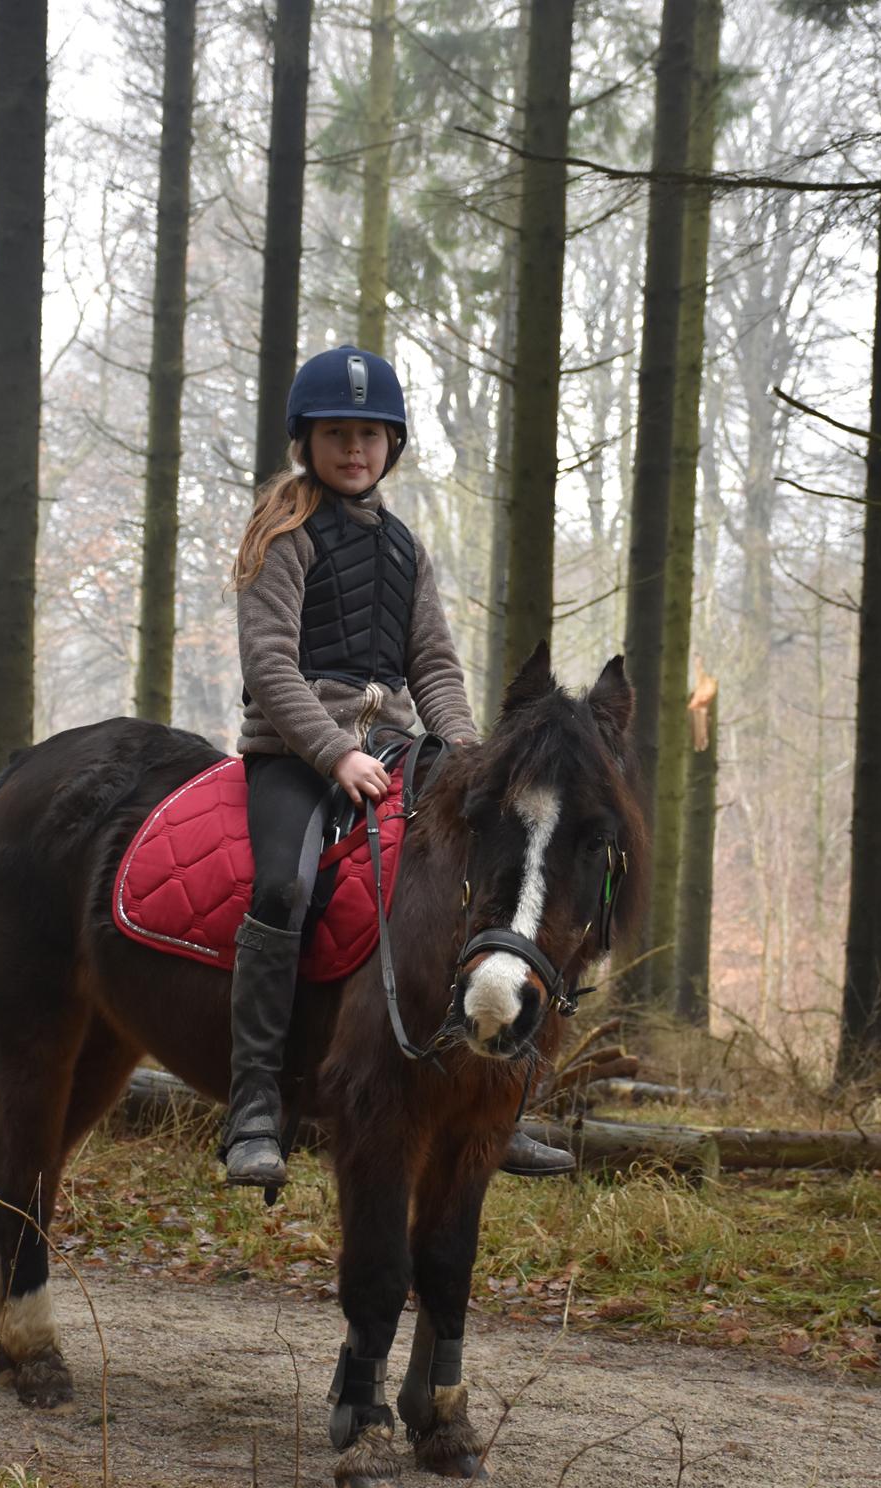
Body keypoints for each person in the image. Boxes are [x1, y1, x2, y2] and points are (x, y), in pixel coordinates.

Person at [220, 344, 574, 1187]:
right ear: (306, 440)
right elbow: (269, 666)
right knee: (283, 889)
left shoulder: (405, 549)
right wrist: (334, 749)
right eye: (338, 434)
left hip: (398, 751)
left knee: (477, 881)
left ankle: (496, 1092)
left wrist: (461, 751)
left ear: (392, 447)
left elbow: (436, 667)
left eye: (371, 436)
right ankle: (253, 1107)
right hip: (294, 756)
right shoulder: (282, 534)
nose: (355, 450)